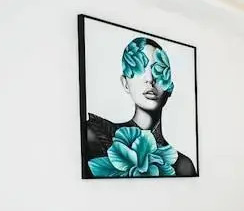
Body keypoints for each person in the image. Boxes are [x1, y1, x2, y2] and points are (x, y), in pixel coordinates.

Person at [84, 37, 196, 177]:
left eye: (158, 70)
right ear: (125, 83)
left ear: (170, 87)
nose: (150, 79)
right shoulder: (93, 134)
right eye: (140, 69)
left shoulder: (183, 166)